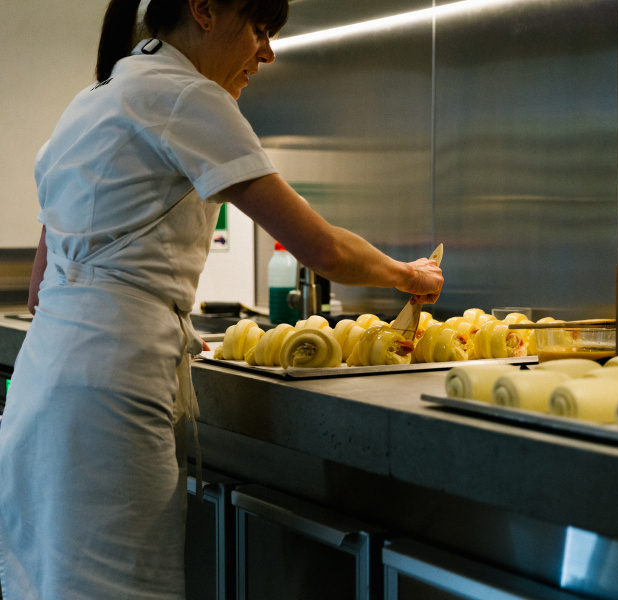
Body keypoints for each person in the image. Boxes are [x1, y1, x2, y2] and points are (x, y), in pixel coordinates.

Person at [0, 0, 443, 597]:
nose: (268, 53)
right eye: (259, 29)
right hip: (111, 396)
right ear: (205, 10)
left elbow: (39, 289)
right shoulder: (188, 95)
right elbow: (325, 250)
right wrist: (408, 275)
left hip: (41, 391)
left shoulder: (92, 100)